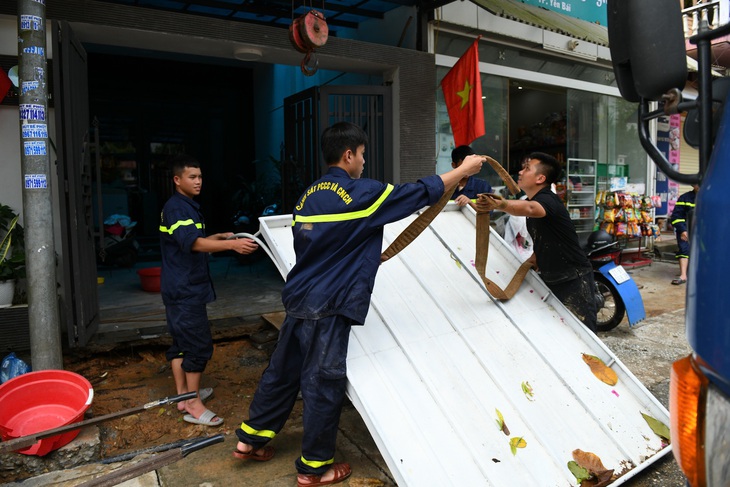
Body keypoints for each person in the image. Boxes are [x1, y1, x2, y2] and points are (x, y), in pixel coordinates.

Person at [233, 122, 485, 486]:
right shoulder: (360, 193)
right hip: (329, 304)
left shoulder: (308, 195)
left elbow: (325, 245)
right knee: (322, 383)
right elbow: (416, 194)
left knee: (283, 371)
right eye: (363, 154)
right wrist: (462, 171)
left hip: (300, 297)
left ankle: (250, 440)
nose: (365, 162)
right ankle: (314, 469)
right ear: (348, 154)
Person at [159, 154, 258, 426]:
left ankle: (183, 395)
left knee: (182, 344)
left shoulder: (184, 206)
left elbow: (188, 240)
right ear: (177, 180)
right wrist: (231, 246)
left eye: (200, 177)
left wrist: (217, 237)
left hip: (180, 287)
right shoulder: (178, 208)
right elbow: (191, 243)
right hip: (185, 289)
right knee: (198, 346)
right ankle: (192, 403)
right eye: (192, 177)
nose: (198, 181)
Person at [476, 152, 597, 332]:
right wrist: (536, 256)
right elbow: (546, 236)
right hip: (552, 279)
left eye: (527, 168)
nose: (520, 171)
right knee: (560, 334)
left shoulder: (547, 200)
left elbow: (531, 209)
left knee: (582, 335)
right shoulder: (536, 201)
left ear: (540, 178)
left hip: (574, 280)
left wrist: (499, 204)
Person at [669, 184, 699, 285]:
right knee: (684, 249)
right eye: (696, 183)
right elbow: (676, 216)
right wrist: (683, 230)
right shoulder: (685, 198)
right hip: (686, 230)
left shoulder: (712, 198)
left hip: (705, 231)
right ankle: (683, 275)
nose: (698, 185)